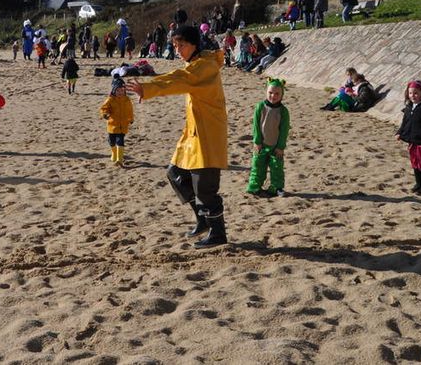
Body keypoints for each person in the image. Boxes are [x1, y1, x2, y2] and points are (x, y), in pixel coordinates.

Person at [126, 25, 229, 248]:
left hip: (207, 135)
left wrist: (148, 88)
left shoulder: (204, 67)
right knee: (175, 173)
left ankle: (218, 233)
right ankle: (202, 219)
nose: (178, 49)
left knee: (205, 188)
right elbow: (179, 75)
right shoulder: (195, 64)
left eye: (181, 45)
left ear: (194, 45)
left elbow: (179, 79)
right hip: (192, 134)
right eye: (175, 45)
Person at [246, 78, 290, 197]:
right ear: (266, 92)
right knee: (258, 166)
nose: (273, 96)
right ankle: (255, 187)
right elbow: (256, 126)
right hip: (261, 144)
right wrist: (257, 141)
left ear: (282, 95)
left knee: (277, 168)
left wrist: (280, 146)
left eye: (277, 94)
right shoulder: (260, 107)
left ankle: (276, 188)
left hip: (276, 146)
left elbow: (284, 131)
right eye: (270, 92)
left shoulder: (283, 111)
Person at [100, 77, 134, 167]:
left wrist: (131, 118)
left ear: (124, 91)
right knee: (111, 141)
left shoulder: (127, 100)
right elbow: (104, 108)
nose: (120, 92)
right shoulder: (110, 99)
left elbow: (130, 110)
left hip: (123, 125)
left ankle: (119, 159)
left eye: (122, 91)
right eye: (118, 91)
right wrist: (105, 114)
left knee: (120, 141)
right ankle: (114, 153)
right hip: (112, 124)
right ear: (114, 91)